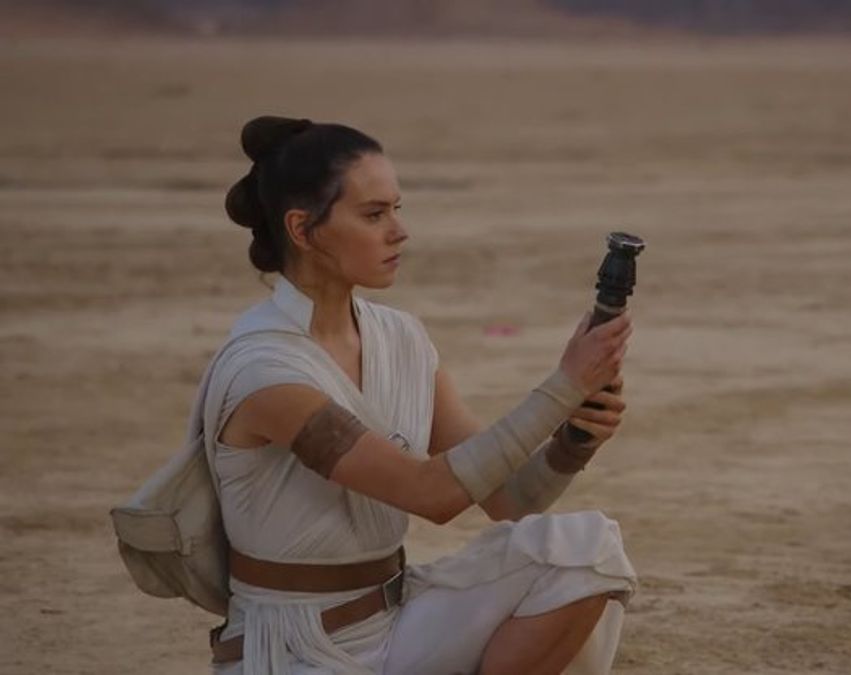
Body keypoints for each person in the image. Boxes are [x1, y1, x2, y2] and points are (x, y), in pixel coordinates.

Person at [201, 116, 637, 674]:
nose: (399, 231)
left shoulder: (400, 338)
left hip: (395, 622)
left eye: (397, 209)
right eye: (374, 215)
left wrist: (573, 441)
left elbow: (509, 501)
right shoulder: (266, 370)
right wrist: (563, 387)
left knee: (588, 556)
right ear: (303, 230)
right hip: (292, 650)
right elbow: (431, 495)